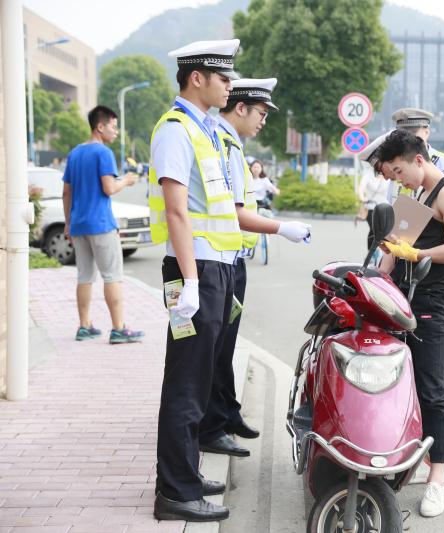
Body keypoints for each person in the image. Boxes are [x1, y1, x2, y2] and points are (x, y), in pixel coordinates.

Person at [148, 39, 242, 522]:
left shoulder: (205, 131)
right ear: (196, 78)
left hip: (213, 270)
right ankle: (176, 491)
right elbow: (177, 211)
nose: (230, 86)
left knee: (199, 377)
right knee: (185, 381)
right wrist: (187, 281)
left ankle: (185, 471)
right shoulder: (176, 130)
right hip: (193, 273)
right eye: (223, 78)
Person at [200, 78, 310, 457]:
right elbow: (237, 213)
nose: (263, 121)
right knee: (215, 348)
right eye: (260, 113)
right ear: (241, 107)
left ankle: (224, 414)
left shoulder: (231, 144)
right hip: (215, 257)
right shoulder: (223, 144)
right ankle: (212, 425)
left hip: (230, 257)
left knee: (225, 344)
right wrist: (283, 228)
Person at [374, 129, 444, 518]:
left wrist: (415, 254)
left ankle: (439, 477)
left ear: (419, 160)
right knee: (408, 384)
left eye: (399, 170)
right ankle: (422, 461)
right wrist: (374, 275)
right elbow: (390, 252)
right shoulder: (414, 197)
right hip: (405, 300)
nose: (397, 179)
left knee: (433, 389)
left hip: (435, 301)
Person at [392, 107, 444, 443]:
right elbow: (399, 229)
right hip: (414, 282)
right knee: (425, 370)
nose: (396, 177)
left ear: (424, 132)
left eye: (414, 131)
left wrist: (419, 252)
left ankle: (442, 435)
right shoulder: (410, 184)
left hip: (442, 283)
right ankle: (429, 433)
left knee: (434, 369)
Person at [61, 105, 144, 344]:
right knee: (112, 276)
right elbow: (109, 188)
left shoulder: (75, 153)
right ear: (100, 127)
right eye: (113, 126)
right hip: (101, 224)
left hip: (78, 225)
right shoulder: (103, 153)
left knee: (84, 276)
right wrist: (126, 180)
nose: (116, 132)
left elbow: (66, 192)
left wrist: (68, 223)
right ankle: (119, 328)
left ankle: (84, 326)